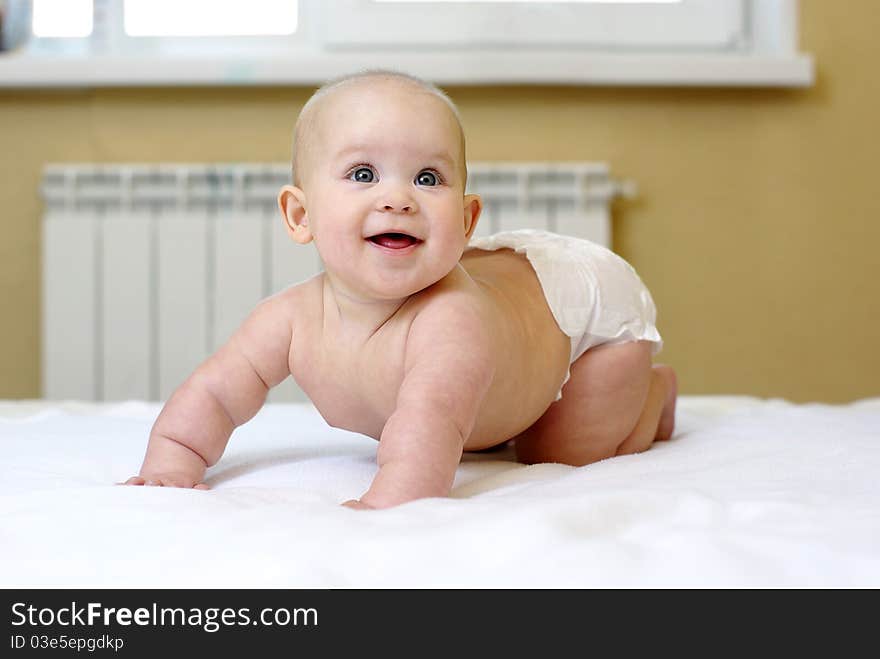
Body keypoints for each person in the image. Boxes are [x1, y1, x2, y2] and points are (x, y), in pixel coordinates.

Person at [123, 70, 677, 509]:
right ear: (300, 214)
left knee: (557, 451)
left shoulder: (451, 320)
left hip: (577, 322)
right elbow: (217, 393)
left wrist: (393, 501)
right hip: (505, 318)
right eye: (363, 174)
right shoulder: (289, 318)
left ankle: (652, 395)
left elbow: (428, 427)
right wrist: (173, 459)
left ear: (464, 222)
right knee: (485, 436)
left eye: (428, 178)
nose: (398, 198)